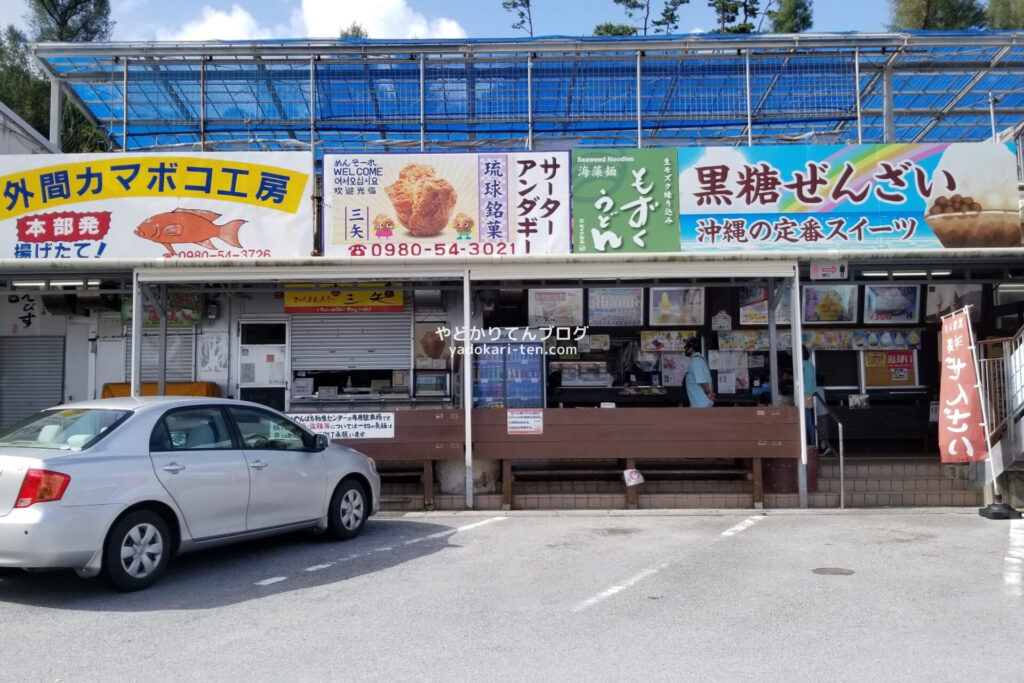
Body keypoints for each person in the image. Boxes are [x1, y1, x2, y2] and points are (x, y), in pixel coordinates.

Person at [683, 337, 714, 407]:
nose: (685, 348)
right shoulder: (701, 359)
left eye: (687, 346)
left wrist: (708, 393)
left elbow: (702, 380)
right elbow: (710, 380)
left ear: (692, 348)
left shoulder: (695, 361)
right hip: (702, 402)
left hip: (700, 403)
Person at [801, 345, 818, 446]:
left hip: (803, 394)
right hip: (810, 395)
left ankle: (809, 442)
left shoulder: (801, 365)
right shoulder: (810, 365)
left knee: (805, 420)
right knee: (809, 420)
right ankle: (813, 441)